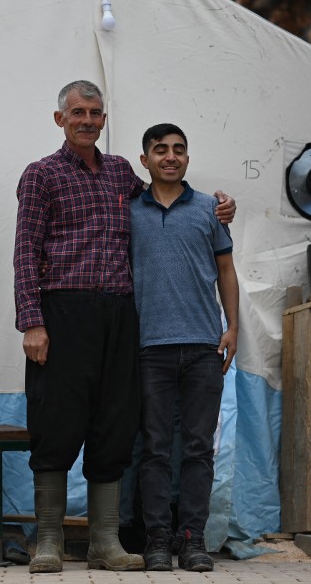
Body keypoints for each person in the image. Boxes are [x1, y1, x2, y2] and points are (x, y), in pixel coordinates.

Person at [14, 80, 234, 574]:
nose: (87, 120)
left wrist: (220, 204)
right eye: (77, 112)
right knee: (56, 421)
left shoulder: (120, 173)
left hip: (121, 316)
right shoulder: (41, 175)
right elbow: (25, 250)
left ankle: (105, 541)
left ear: (104, 119)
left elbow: (167, 196)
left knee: (115, 424)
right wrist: (32, 321)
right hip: (62, 313)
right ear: (60, 119)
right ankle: (48, 540)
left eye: (95, 112)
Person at [131, 123, 239, 572]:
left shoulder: (210, 211)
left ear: (188, 160)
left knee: (198, 449)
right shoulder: (129, 210)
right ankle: (156, 539)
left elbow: (227, 271)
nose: (170, 157)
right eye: (160, 150)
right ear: (146, 160)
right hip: (149, 348)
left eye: (178, 150)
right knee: (154, 448)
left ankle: (192, 540)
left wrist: (233, 328)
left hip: (203, 348)